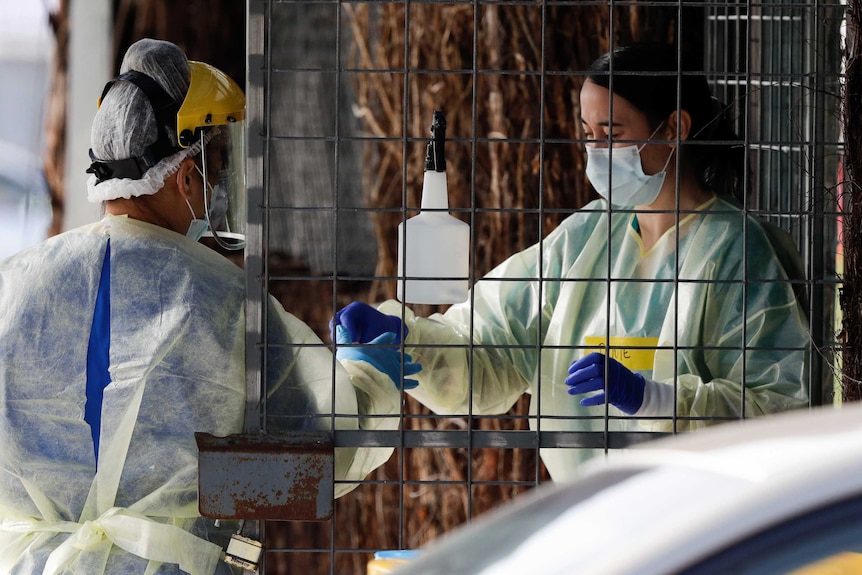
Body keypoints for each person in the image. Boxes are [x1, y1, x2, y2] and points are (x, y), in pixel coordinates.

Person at [0, 38, 418, 574]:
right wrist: (369, 376)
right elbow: (321, 462)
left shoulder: (16, 288)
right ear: (187, 175)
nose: (220, 180)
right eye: (217, 161)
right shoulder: (220, 301)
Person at [332, 42, 809, 483]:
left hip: (691, 527)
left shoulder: (735, 252)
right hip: (587, 516)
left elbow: (777, 409)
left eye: (612, 133)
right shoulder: (587, 236)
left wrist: (652, 399)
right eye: (588, 133)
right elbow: (491, 347)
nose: (596, 151)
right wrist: (407, 339)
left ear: (675, 128)